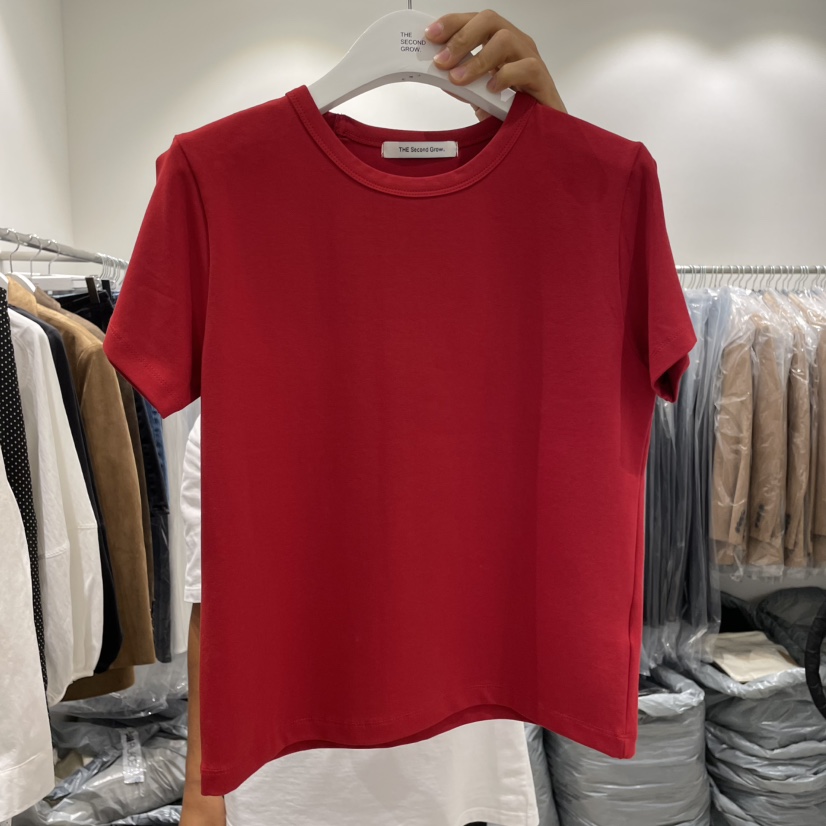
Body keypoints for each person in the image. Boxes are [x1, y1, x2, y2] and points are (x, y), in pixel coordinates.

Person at [180, 10, 566, 825]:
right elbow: (213, 604)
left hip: (466, 779)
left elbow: (588, 339)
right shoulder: (239, 392)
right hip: (288, 790)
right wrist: (202, 795)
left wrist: (560, 154)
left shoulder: (508, 350)